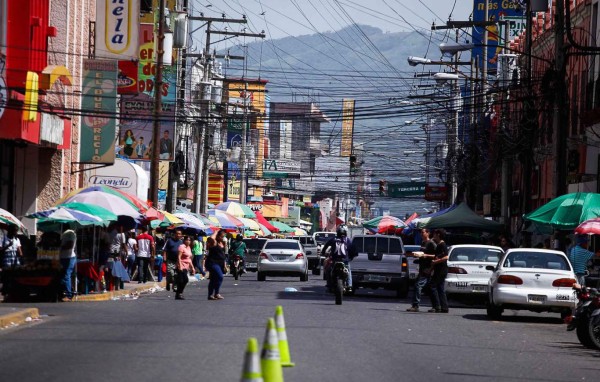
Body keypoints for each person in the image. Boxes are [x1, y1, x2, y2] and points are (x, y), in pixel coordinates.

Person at [406, 229, 436, 312]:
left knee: (418, 285)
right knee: (430, 289)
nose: (421, 234)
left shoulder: (431, 243)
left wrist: (425, 255)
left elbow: (436, 256)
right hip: (422, 268)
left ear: (428, 233)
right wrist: (417, 256)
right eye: (421, 233)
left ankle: (415, 305)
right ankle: (436, 306)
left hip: (428, 269)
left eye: (423, 232)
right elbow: (422, 254)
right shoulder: (423, 243)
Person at [321, 225, 356, 292]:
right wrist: (351, 257)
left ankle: (329, 285)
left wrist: (323, 253)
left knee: (328, 270)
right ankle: (349, 285)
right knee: (348, 271)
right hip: (345, 260)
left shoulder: (333, 239)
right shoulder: (347, 240)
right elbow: (353, 250)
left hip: (335, 260)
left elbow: (325, 246)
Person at [428, 229, 449, 313]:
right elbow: (436, 257)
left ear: (438, 235)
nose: (433, 235)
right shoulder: (438, 245)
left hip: (441, 270)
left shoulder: (442, 244)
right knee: (440, 288)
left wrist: (436, 262)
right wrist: (430, 269)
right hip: (438, 269)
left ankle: (437, 306)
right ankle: (444, 307)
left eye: (435, 234)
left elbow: (446, 257)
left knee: (432, 286)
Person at [205, 231, 227, 300]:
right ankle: (216, 293)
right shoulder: (214, 243)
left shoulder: (223, 243)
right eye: (221, 236)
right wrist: (216, 231)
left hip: (220, 263)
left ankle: (211, 295)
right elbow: (211, 238)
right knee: (220, 276)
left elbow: (223, 255)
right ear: (217, 236)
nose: (222, 238)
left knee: (213, 279)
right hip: (212, 263)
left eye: (223, 236)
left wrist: (225, 265)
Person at [175, 235, 195, 300]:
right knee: (183, 280)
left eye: (189, 240)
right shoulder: (181, 247)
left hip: (186, 266)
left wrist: (192, 267)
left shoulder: (189, 247)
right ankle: (179, 293)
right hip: (181, 265)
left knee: (185, 280)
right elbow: (179, 257)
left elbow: (189, 259)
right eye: (187, 240)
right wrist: (180, 265)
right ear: (184, 240)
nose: (188, 241)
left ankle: (179, 293)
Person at [59, 229, 77, 302]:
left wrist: (60, 247)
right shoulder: (64, 233)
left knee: (67, 275)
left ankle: (68, 295)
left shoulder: (70, 233)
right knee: (63, 275)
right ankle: (65, 292)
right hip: (63, 257)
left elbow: (70, 245)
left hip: (69, 257)